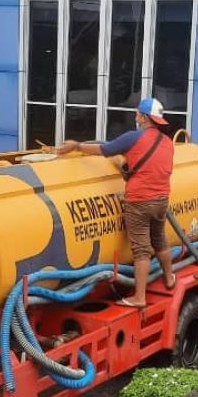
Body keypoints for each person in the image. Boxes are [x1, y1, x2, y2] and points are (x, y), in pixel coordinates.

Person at [57, 97, 175, 307]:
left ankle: (139, 297)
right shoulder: (167, 142)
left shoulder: (133, 138)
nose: (135, 115)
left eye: (138, 112)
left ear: (145, 117)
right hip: (161, 199)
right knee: (159, 239)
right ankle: (169, 277)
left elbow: (105, 150)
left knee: (141, 250)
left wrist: (77, 146)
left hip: (139, 201)